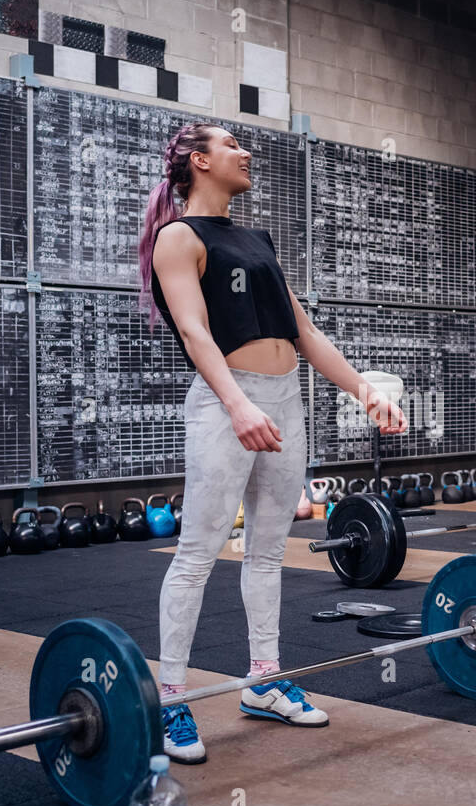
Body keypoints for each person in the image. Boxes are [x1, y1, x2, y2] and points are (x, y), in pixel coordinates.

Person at [137, 122, 407, 763]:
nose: (245, 152)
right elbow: (196, 333)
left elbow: (305, 334)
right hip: (227, 402)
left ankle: (263, 680)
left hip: (284, 402)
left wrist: (366, 392)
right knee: (198, 553)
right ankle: (172, 699)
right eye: (231, 145)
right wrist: (237, 405)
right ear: (200, 161)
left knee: (267, 552)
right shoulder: (178, 238)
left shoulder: (256, 240)